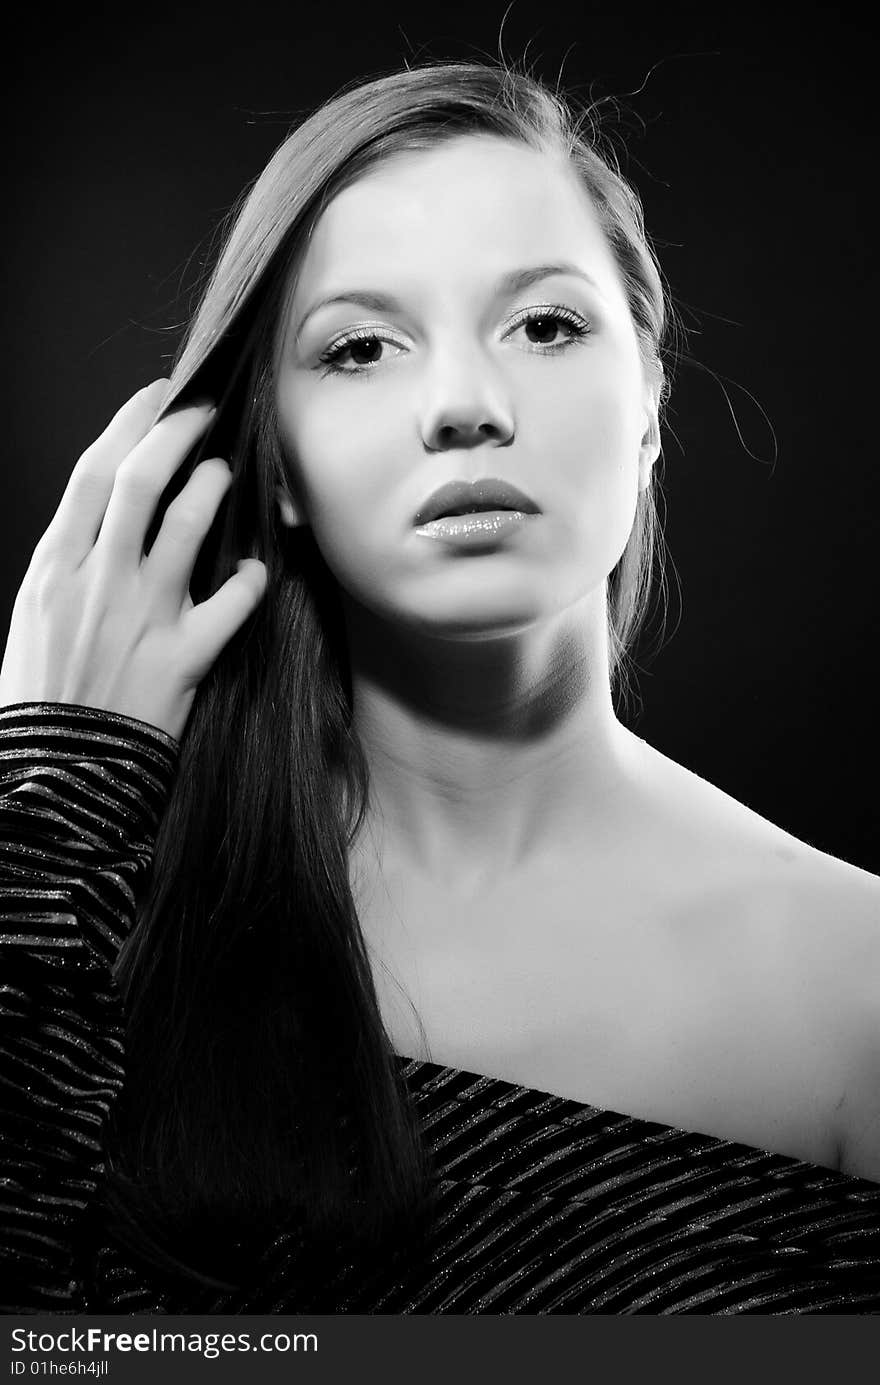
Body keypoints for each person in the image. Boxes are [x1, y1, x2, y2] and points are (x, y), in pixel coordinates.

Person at [2, 56, 880, 1315]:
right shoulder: (94, 896)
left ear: (647, 408)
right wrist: (54, 782)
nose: (465, 404)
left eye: (546, 325)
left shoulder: (854, 989)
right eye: (359, 347)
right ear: (279, 464)